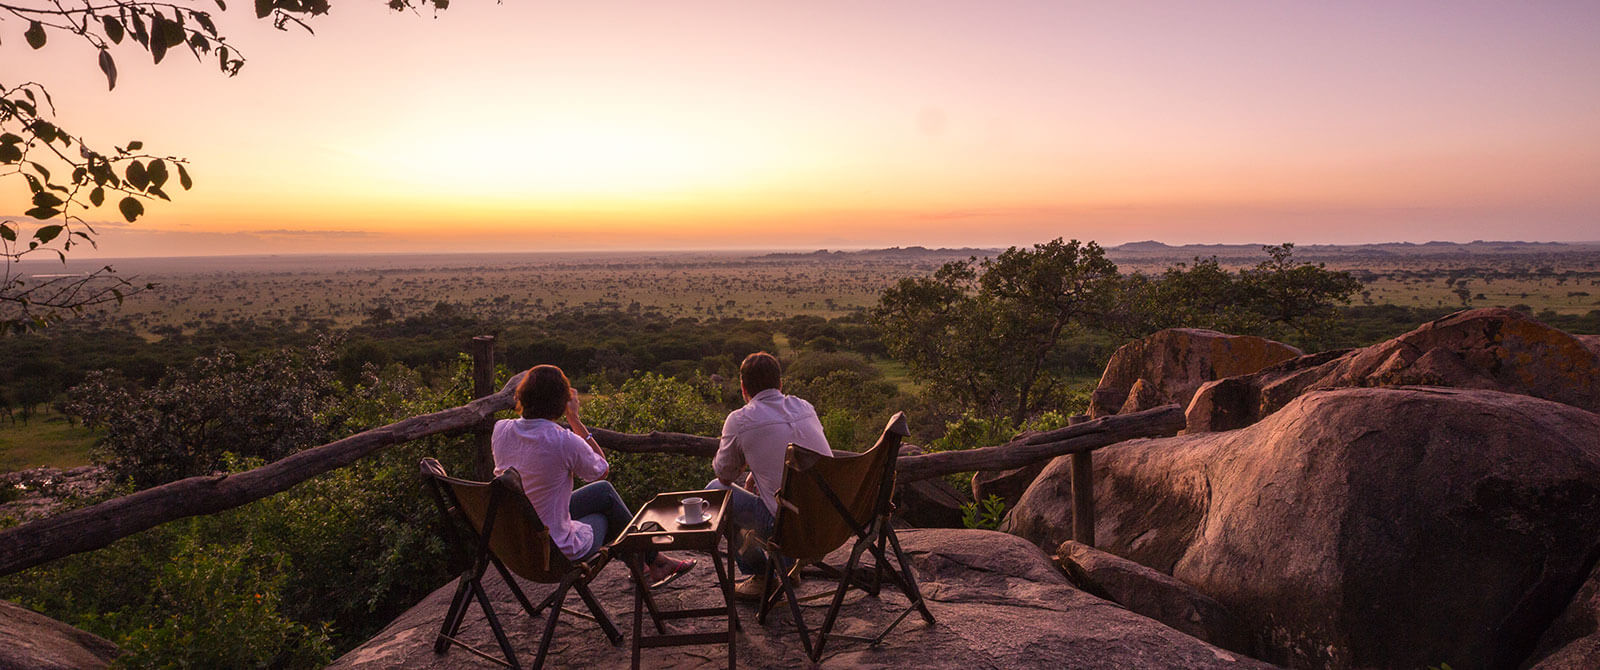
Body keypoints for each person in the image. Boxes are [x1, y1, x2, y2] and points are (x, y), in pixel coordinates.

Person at [493, 364, 693, 588]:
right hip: (552, 552)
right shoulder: (563, 441)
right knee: (605, 516)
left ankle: (649, 564)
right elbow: (601, 469)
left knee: (603, 492)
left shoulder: (501, 430)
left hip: (518, 541)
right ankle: (651, 564)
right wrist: (575, 420)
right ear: (561, 401)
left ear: (524, 395)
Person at [706, 352, 832, 598]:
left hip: (790, 530)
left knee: (714, 492)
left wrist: (746, 463)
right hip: (830, 521)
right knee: (780, 502)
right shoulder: (804, 406)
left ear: (743, 388)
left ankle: (763, 576)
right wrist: (758, 469)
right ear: (780, 383)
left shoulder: (740, 420)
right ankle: (788, 568)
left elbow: (724, 476)